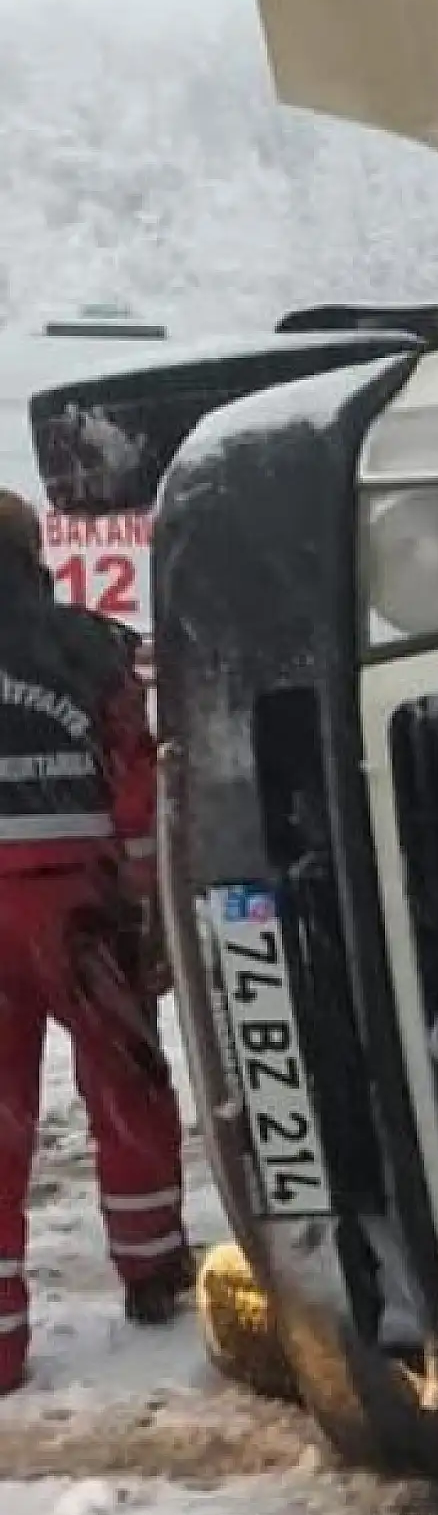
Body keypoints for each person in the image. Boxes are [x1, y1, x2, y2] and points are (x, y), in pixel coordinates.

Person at [0, 488, 189, 1397]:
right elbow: (138, 788)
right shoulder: (94, 646)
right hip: (83, 907)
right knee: (125, 1086)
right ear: (34, 556)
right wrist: (148, 903)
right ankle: (151, 1273)